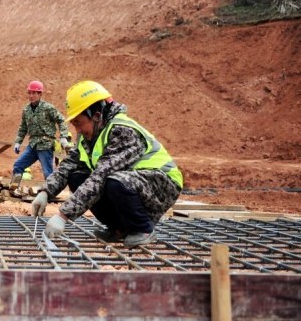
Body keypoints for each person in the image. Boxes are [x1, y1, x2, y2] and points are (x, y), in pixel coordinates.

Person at [31, 80, 183, 248]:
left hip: (161, 184)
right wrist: (46, 191)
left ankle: (144, 230)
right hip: (133, 183)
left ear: (96, 116)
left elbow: (100, 176)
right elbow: (69, 165)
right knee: (76, 177)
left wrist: (63, 215)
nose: (78, 130)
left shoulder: (122, 130)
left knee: (114, 182)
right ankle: (119, 230)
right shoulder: (89, 136)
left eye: (79, 123)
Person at [11, 80, 71, 186]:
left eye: (34, 93)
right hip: (33, 144)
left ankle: (50, 193)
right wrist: (18, 142)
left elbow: (61, 120)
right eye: (29, 93)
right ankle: (14, 188)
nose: (31, 95)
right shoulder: (26, 110)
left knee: (48, 172)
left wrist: (63, 136)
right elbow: (23, 127)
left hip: (45, 144)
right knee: (18, 165)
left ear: (40, 94)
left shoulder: (48, 108)